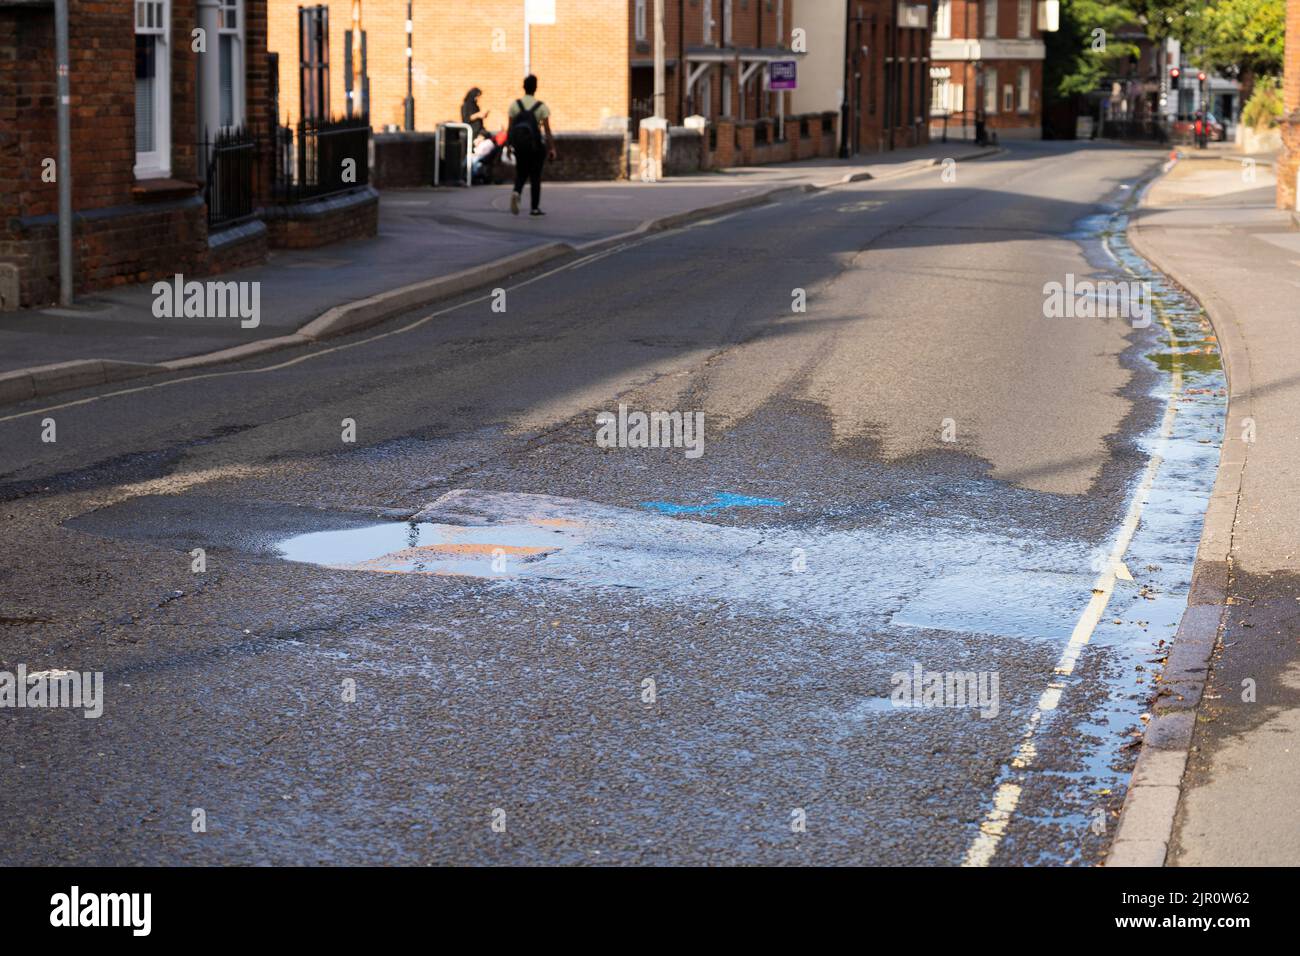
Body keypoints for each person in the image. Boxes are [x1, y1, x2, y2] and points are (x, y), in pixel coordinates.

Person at [507, 74, 557, 217]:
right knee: (535, 176)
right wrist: (552, 148)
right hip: (535, 146)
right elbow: (547, 130)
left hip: (520, 146)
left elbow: (510, 128)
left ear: (524, 87)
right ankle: (534, 208)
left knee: (521, 172)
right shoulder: (541, 107)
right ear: (535, 88)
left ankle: (517, 192)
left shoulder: (515, 105)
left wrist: (509, 146)